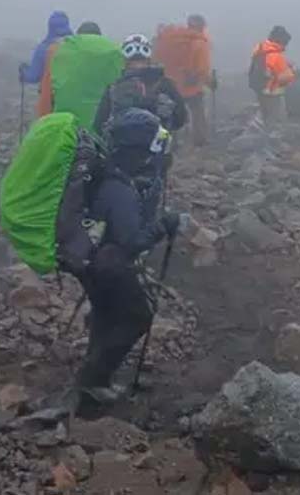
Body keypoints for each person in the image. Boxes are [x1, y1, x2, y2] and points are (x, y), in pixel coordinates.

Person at [75, 108, 180, 406]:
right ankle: (93, 380)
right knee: (137, 317)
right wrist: (163, 226)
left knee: (106, 316)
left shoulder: (111, 176)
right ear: (139, 149)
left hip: (93, 263)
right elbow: (131, 241)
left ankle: (94, 377)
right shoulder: (118, 188)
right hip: (109, 266)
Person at [93, 34, 187, 137]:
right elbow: (181, 118)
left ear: (125, 61)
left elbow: (99, 125)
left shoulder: (114, 87)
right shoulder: (165, 84)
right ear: (149, 59)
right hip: (157, 147)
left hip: (121, 148)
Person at [155, 14, 215, 145]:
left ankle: (171, 141)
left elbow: (159, 59)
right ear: (201, 26)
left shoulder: (173, 39)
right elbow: (202, 69)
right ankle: (199, 141)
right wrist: (211, 83)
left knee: (171, 114)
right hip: (191, 86)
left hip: (171, 84)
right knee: (197, 113)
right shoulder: (200, 42)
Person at [21, 11, 73, 117]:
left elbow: (33, 76)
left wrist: (23, 72)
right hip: (72, 102)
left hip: (50, 101)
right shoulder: (74, 46)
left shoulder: (44, 48)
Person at [249, 25, 296, 127]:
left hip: (260, 89)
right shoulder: (276, 56)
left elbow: (267, 66)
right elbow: (284, 78)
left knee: (264, 115)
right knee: (274, 119)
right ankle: (270, 139)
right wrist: (291, 71)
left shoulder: (260, 48)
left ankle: (261, 134)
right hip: (272, 92)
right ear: (281, 41)